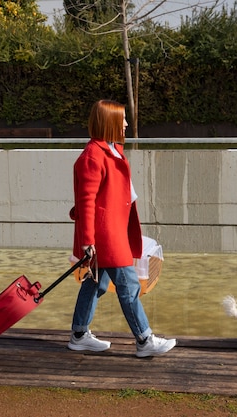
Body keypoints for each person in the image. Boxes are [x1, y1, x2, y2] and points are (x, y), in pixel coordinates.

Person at [67, 99, 177, 358]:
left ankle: (79, 335)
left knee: (96, 284)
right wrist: (87, 241)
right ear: (109, 122)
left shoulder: (112, 150)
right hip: (105, 235)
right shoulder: (93, 156)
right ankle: (144, 339)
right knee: (128, 285)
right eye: (122, 119)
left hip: (114, 230)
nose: (126, 124)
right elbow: (86, 201)